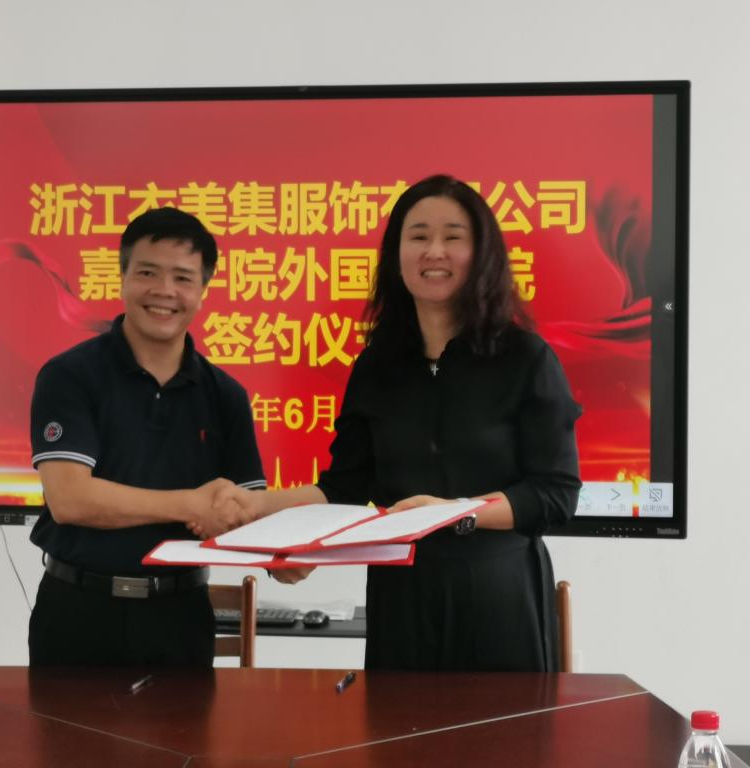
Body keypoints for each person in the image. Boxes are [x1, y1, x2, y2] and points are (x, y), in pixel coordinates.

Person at [208, 174, 581, 671]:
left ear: (482, 253)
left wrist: (455, 513)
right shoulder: (377, 365)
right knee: (396, 723)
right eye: (418, 236)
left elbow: (555, 494)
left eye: (453, 236)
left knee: (507, 726)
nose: (434, 251)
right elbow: (343, 487)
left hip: (500, 594)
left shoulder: (524, 358)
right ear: (396, 254)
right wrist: (258, 509)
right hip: (402, 593)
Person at [28, 207, 266, 667]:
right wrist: (190, 505)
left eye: (183, 278)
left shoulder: (225, 396)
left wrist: (295, 554)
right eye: (147, 273)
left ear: (202, 290)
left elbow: (246, 509)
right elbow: (70, 500)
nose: (164, 291)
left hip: (180, 616)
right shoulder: (70, 376)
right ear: (122, 279)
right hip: (77, 612)